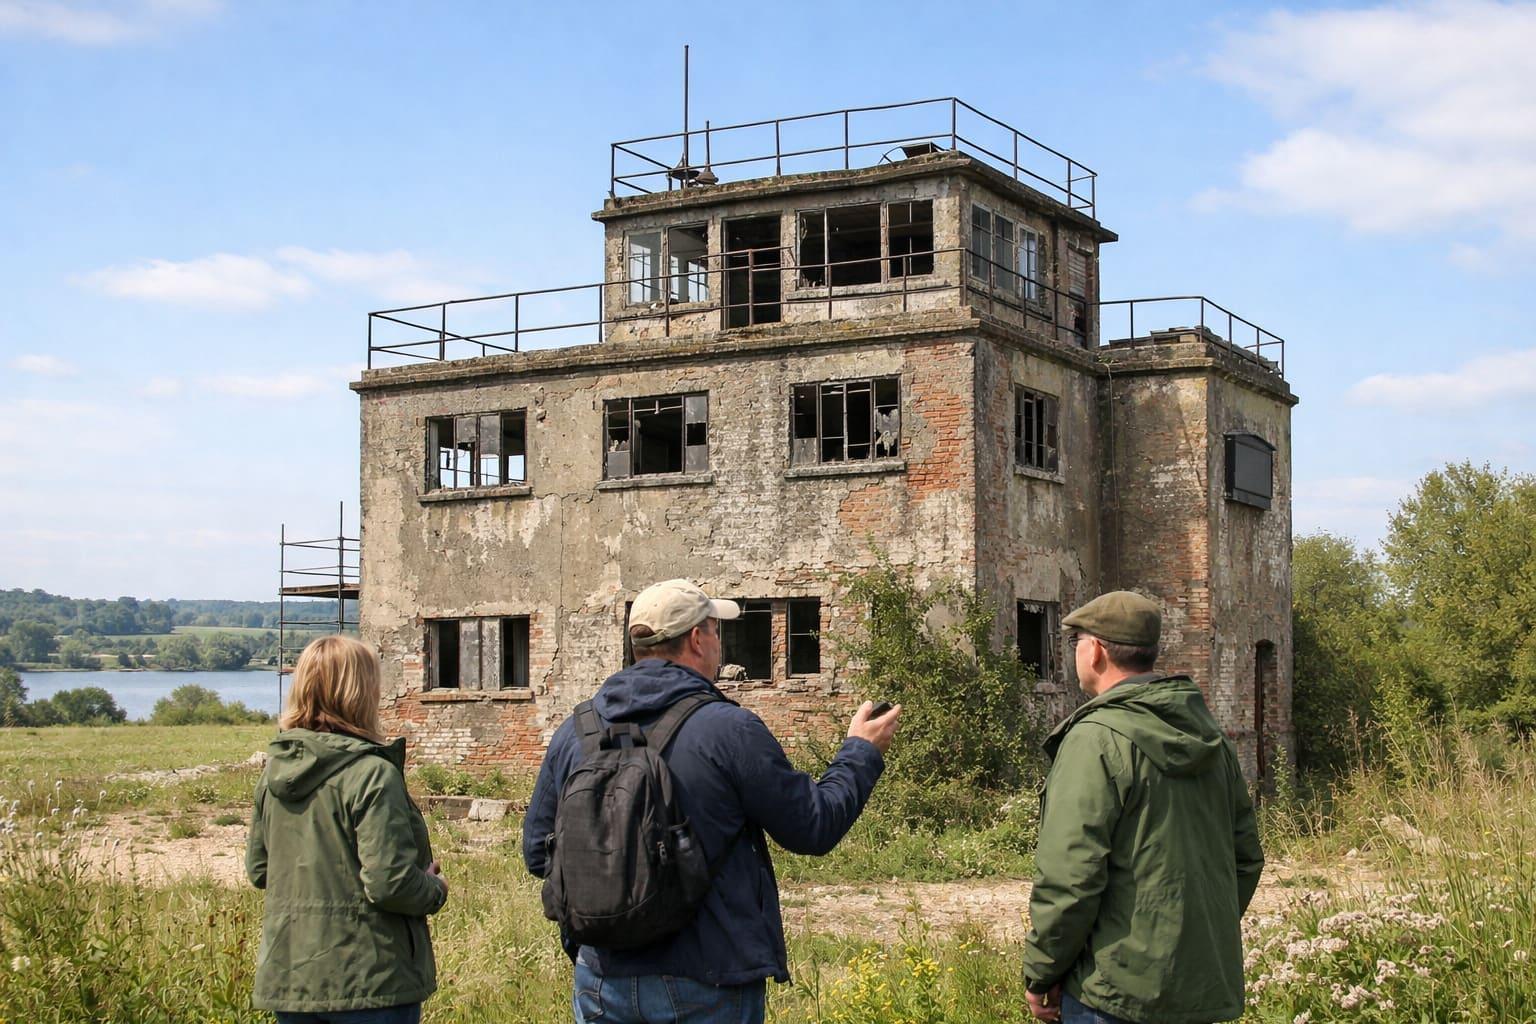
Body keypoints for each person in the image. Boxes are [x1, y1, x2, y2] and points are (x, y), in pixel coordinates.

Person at [523, 578, 900, 1024]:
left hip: (601, 978)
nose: (720, 644)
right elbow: (812, 828)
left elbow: (539, 853)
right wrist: (860, 752)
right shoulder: (729, 730)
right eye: (716, 631)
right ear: (697, 640)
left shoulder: (575, 733)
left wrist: (620, 882)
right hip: (708, 979)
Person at [1021, 591, 1264, 1024]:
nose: (1076, 651)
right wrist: (1186, 943)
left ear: (1096, 650)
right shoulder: (1211, 737)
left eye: (1077, 640)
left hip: (1112, 994)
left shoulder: (1094, 738)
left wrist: (1043, 972)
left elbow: (1071, 878)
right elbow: (1244, 859)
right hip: (1199, 991)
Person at [246, 635, 448, 1024]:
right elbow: (390, 882)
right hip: (371, 982)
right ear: (360, 692)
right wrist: (434, 888)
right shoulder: (372, 774)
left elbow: (259, 870)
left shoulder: (273, 775)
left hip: (292, 981)